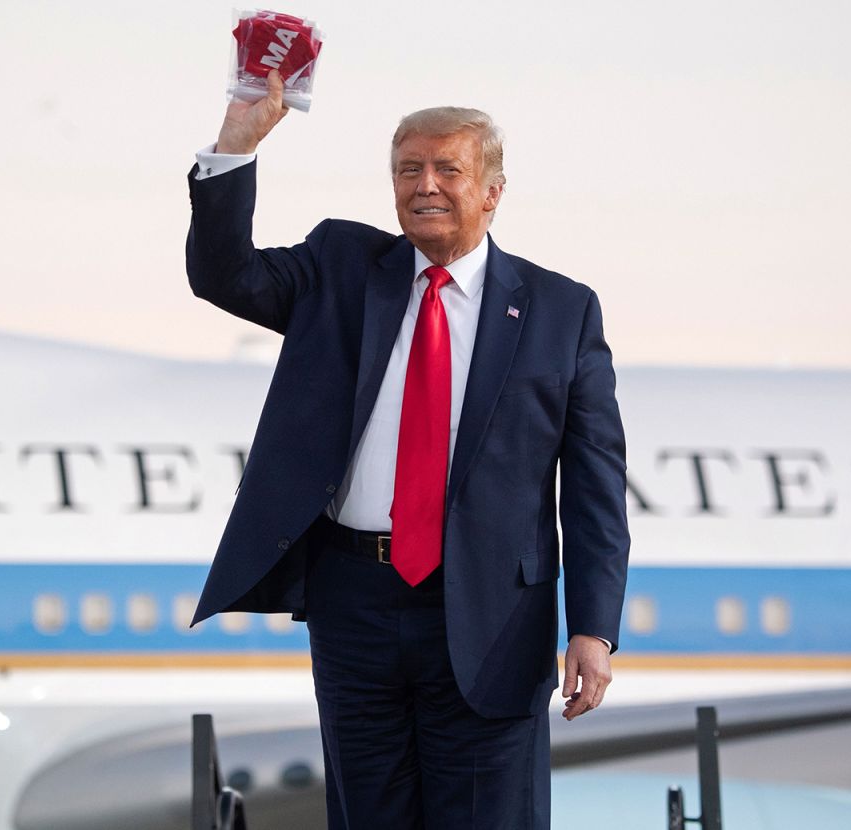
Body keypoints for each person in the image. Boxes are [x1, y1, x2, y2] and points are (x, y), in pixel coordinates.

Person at [185, 70, 629, 829]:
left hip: (491, 615)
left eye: (448, 169)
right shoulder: (341, 268)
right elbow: (223, 274)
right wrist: (238, 142)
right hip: (354, 600)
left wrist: (592, 628)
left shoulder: (561, 311)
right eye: (407, 169)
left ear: (491, 190)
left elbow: (593, 488)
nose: (425, 185)